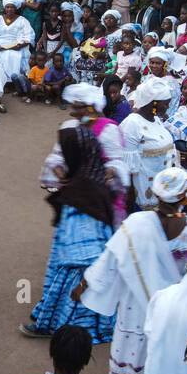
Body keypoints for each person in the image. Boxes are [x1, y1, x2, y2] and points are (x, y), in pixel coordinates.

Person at [74, 168, 187, 374]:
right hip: (173, 302)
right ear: (184, 197)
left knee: (132, 341)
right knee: (162, 342)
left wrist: (83, 286)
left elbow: (109, 260)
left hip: (135, 301)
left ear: (156, 194)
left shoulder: (136, 224)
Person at [24, 85, 119, 341]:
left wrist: (106, 172)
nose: (73, 110)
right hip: (88, 199)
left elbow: (116, 163)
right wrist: (63, 174)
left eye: (78, 106)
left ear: (90, 108)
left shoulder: (105, 131)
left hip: (86, 207)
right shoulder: (73, 134)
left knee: (75, 270)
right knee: (74, 268)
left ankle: (64, 325)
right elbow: (58, 159)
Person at [119, 77, 179, 209]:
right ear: (154, 103)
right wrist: (129, 204)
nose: (168, 106)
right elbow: (127, 169)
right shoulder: (132, 124)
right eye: (166, 103)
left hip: (162, 191)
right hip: (143, 195)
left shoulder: (156, 120)